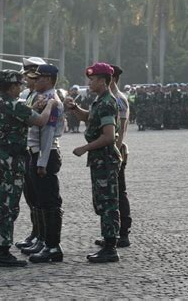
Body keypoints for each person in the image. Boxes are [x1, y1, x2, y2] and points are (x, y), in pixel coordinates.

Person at [0, 69, 56, 268]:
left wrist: (34, 107)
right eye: (19, 85)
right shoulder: (14, 104)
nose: (22, 87)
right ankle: (3, 252)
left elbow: (19, 116)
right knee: (9, 206)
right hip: (10, 160)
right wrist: (51, 104)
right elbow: (41, 120)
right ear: (12, 87)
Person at [65, 62, 122, 263]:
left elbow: (108, 136)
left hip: (105, 159)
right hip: (99, 160)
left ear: (103, 81)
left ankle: (110, 248)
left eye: (93, 79)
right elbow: (89, 118)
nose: (90, 82)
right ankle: (108, 242)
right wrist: (74, 109)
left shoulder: (107, 102)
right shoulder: (99, 100)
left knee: (108, 204)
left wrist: (84, 148)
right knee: (101, 202)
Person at [20, 64, 65, 264]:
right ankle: (43, 240)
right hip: (36, 154)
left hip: (45, 155)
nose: (34, 81)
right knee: (38, 201)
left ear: (48, 80)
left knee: (49, 202)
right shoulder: (40, 99)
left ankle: (53, 246)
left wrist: (42, 162)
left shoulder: (51, 101)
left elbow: (47, 135)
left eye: (38, 78)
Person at [94, 65, 131, 248]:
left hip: (115, 153)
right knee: (112, 194)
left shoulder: (118, 99)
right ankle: (114, 233)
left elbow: (121, 130)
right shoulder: (108, 98)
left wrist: (114, 155)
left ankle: (122, 233)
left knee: (118, 194)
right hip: (111, 153)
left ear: (112, 79)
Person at [15, 57, 48, 250]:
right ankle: (36, 233)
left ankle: (43, 237)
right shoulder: (30, 95)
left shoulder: (43, 97)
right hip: (28, 150)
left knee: (40, 197)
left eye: (28, 75)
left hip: (39, 151)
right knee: (31, 196)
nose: (26, 79)